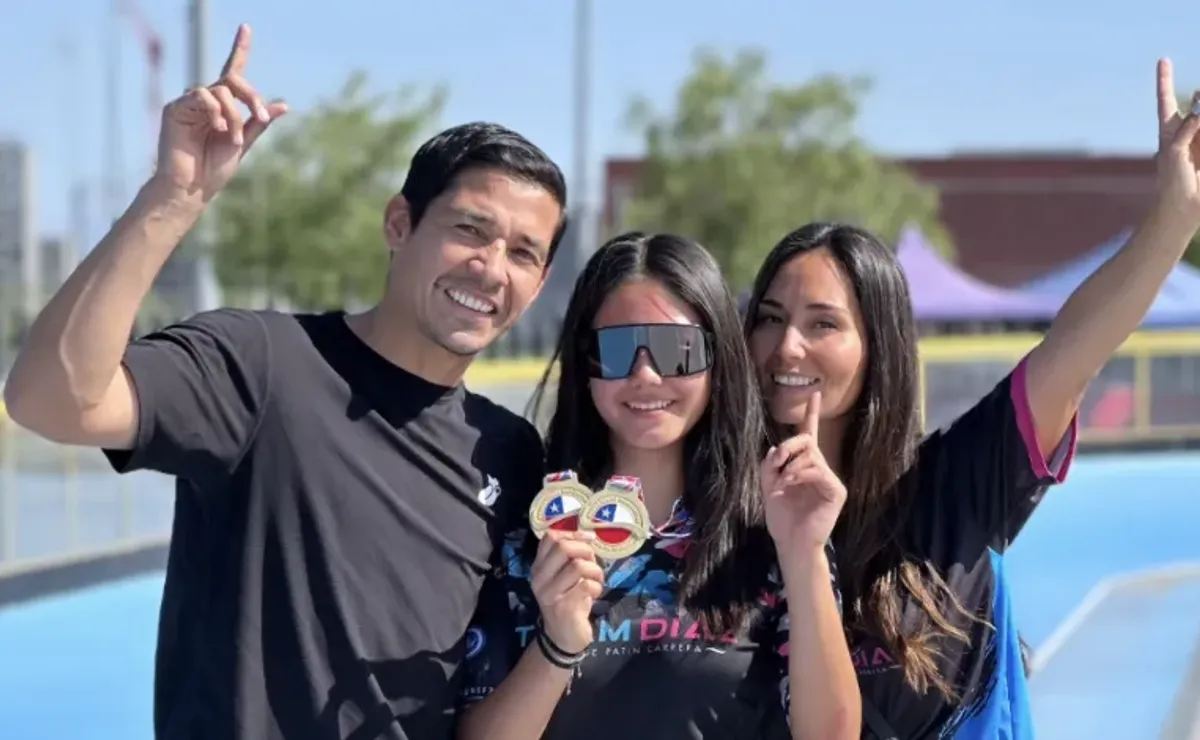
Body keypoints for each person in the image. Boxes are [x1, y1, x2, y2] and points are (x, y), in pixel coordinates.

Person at [2, 24, 568, 740]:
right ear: (400, 223)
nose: (491, 268)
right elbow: (50, 400)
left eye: (522, 252)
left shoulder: (510, 452)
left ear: (541, 280)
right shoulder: (262, 363)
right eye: (468, 229)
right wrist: (174, 195)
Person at [742, 60, 1200, 739]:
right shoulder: (721, 514)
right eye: (771, 318)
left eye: (823, 324)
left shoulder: (955, 488)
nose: (787, 348)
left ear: (881, 346)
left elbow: (1075, 349)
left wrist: (1174, 220)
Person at [454, 232, 861, 740]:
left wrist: (805, 555)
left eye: (678, 350)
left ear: (718, 362)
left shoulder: (775, 534)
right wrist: (557, 642)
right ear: (585, 368)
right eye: (617, 349)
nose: (645, 374)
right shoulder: (529, 540)